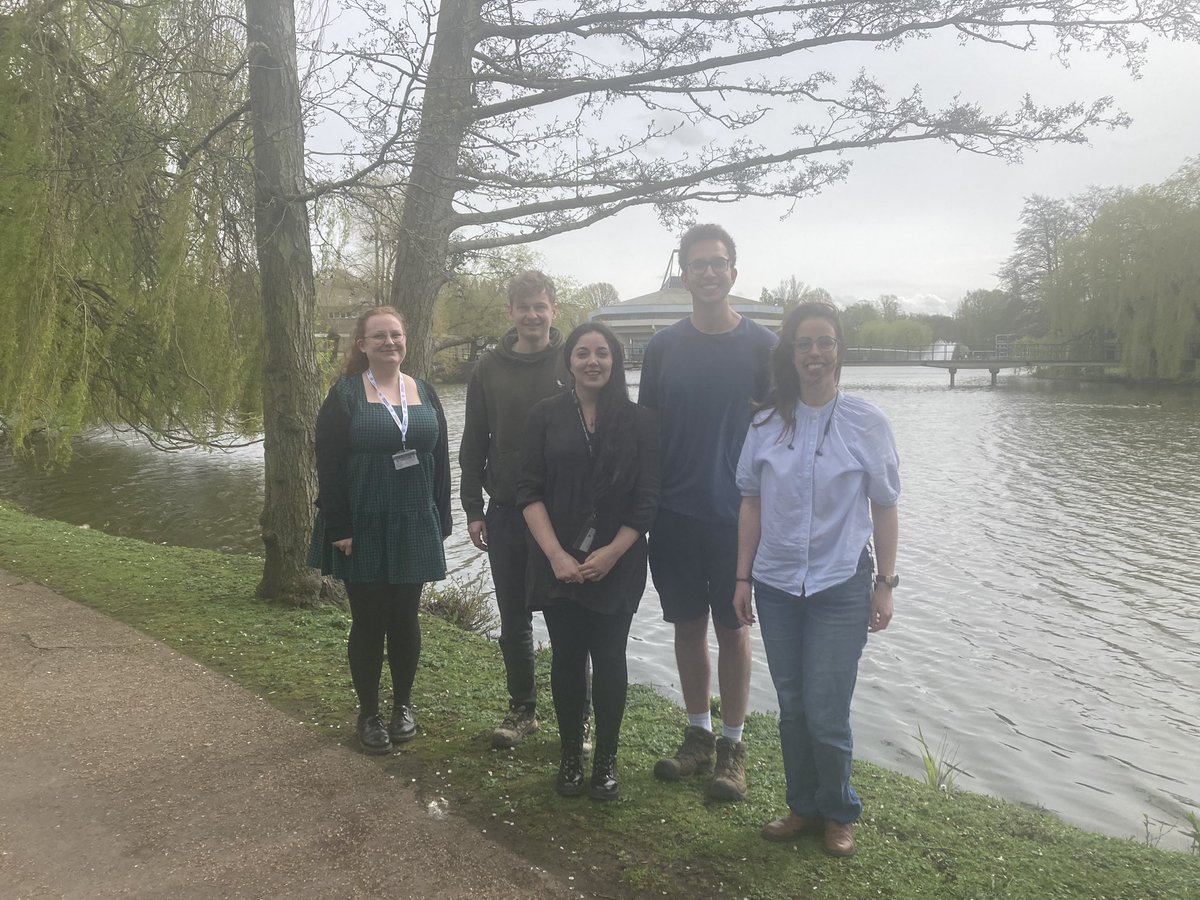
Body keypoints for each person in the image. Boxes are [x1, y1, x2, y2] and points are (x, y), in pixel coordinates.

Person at [733, 301, 900, 858]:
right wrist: (742, 578)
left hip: (840, 584)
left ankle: (839, 811)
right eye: (803, 343)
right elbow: (751, 503)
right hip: (777, 584)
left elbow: (884, 506)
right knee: (792, 704)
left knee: (827, 709)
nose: (814, 353)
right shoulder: (764, 423)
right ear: (790, 353)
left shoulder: (867, 422)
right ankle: (803, 806)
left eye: (824, 342)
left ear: (839, 350)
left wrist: (885, 582)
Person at [638, 224, 776, 802]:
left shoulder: (764, 347)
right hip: (674, 513)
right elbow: (644, 434)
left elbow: (784, 430)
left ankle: (733, 747)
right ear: (686, 274)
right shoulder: (663, 347)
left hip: (738, 517)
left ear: (734, 274)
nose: (711, 272)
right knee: (687, 626)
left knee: (734, 630)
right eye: (699, 264)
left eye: (720, 263)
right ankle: (697, 736)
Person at [517, 323, 660, 800]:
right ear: (569, 362)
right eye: (583, 353)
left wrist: (613, 553)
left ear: (615, 361)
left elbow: (646, 501)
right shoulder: (545, 415)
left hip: (617, 562)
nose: (592, 361)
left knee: (610, 658)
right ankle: (570, 758)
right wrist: (555, 554)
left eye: (602, 353)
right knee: (566, 659)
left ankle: (606, 761)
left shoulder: (639, 420)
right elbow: (528, 490)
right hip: (557, 561)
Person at [310, 306, 452, 755]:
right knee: (370, 621)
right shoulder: (346, 396)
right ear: (363, 344)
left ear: (406, 340)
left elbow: (441, 460)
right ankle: (369, 714)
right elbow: (328, 466)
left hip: (413, 520)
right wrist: (339, 526)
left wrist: (442, 516)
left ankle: (403, 706)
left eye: (396, 334)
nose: (389, 342)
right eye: (379, 336)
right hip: (364, 522)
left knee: (406, 618)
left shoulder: (424, 391)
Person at [460, 271, 572, 749]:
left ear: (553, 311)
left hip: (563, 512)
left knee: (569, 618)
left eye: (540, 306)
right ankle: (522, 708)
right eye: (523, 307)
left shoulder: (573, 360)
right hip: (504, 509)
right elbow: (474, 440)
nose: (532, 315)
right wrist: (472, 507)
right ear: (511, 312)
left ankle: (577, 713)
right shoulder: (489, 367)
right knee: (514, 618)